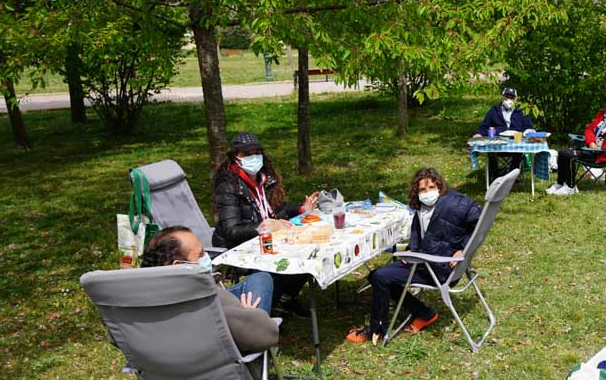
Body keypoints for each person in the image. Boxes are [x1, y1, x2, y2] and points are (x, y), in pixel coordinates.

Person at [347, 168, 482, 344]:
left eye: (432, 187)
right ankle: (424, 313)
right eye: (422, 190)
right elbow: (426, 234)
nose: (427, 193)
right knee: (375, 276)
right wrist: (412, 249)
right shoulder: (421, 207)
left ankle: (377, 329)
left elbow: (480, 222)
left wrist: (464, 249)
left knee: (380, 276)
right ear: (416, 192)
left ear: (440, 187)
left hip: (439, 268)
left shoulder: (454, 204)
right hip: (426, 260)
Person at [211, 132, 319, 316]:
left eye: (257, 152)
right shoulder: (228, 185)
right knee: (273, 267)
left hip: (266, 237)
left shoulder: (264, 178)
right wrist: (262, 228)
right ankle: (265, 309)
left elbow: (275, 210)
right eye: (247, 154)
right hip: (238, 244)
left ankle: (284, 300)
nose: (254, 157)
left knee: (307, 250)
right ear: (235, 158)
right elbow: (231, 230)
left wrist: (301, 209)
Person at [141, 226, 279, 354]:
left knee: (260, 278)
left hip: (163, 373)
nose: (207, 256)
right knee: (261, 280)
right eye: (201, 254)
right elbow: (267, 335)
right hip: (226, 370)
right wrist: (251, 313)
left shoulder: (135, 302)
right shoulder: (208, 297)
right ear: (178, 266)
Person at [547, 88, 606, 196]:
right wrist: (591, 142)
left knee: (567, 154)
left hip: (605, 155)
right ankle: (560, 183)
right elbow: (589, 129)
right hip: (591, 149)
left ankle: (570, 187)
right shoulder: (601, 115)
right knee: (562, 152)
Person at [473, 86, 535, 180]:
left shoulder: (521, 110)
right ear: (502, 97)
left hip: (516, 142)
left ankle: (513, 174)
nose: (509, 100)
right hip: (497, 142)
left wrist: (527, 133)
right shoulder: (494, 110)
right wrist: (479, 134)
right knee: (491, 151)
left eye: (512, 97)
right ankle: (495, 175)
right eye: (506, 97)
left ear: (516, 99)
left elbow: (529, 127)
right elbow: (484, 126)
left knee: (518, 151)